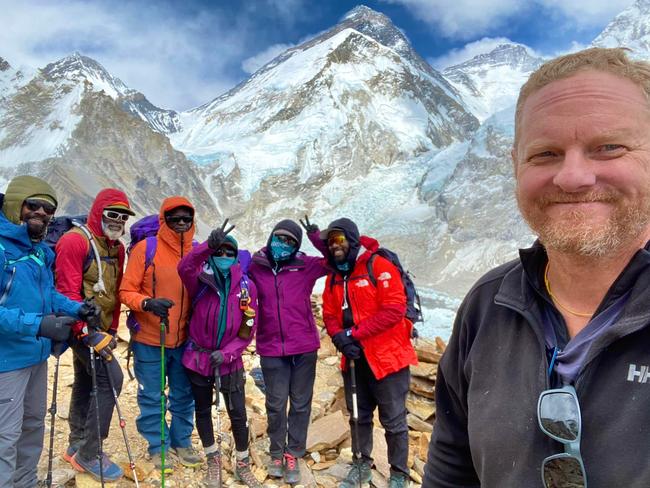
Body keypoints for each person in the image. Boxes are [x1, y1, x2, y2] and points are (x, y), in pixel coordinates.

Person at [423, 47, 650, 488]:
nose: (572, 177)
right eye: (545, 154)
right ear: (514, 165)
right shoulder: (487, 304)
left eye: (608, 147)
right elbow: (453, 464)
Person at [0, 175, 97, 487]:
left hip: (35, 354)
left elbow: (48, 294)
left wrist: (76, 308)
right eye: (33, 205)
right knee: (5, 433)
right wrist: (39, 324)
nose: (41, 212)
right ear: (16, 205)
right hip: (6, 361)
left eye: (48, 208)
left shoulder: (40, 252)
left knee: (32, 425)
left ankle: (25, 483)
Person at [321, 217, 417, 488]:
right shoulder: (333, 278)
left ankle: (399, 475)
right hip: (353, 360)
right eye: (330, 242)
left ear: (352, 240)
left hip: (387, 359)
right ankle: (361, 465)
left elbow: (394, 310)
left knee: (394, 420)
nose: (334, 246)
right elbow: (329, 315)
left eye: (339, 239)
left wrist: (352, 334)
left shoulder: (379, 266)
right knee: (357, 416)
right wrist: (339, 338)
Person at [55, 188, 134, 482]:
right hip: (80, 327)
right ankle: (89, 451)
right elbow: (66, 291)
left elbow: (112, 292)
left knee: (88, 379)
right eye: (112, 214)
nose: (118, 221)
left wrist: (111, 329)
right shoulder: (74, 242)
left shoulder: (117, 248)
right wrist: (85, 331)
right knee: (111, 378)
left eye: (123, 216)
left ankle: (76, 442)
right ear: (98, 212)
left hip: (101, 329)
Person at [119, 197, 201, 472]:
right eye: (174, 218)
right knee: (152, 395)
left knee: (183, 394)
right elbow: (126, 291)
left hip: (186, 340)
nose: (180, 223)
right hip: (150, 339)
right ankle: (157, 445)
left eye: (185, 219)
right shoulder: (146, 249)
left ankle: (182, 441)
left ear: (192, 221)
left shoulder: (197, 251)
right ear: (163, 220)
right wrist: (147, 303)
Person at [178, 221, 262, 488]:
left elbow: (248, 329)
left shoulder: (247, 287)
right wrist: (206, 246)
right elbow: (184, 267)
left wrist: (227, 354)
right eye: (219, 252)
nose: (224, 257)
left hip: (229, 362)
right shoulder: (199, 280)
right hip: (198, 358)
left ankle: (242, 462)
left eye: (229, 253)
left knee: (237, 413)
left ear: (236, 257)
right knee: (203, 410)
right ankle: (212, 458)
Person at [247, 217, 328, 483]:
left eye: (290, 241)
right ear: (271, 237)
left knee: (301, 404)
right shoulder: (256, 265)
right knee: (275, 403)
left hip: (303, 346)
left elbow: (334, 259)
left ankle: (293, 453)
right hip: (271, 346)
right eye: (280, 238)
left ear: (297, 246)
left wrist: (316, 236)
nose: (284, 244)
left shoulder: (305, 265)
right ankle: (275, 453)